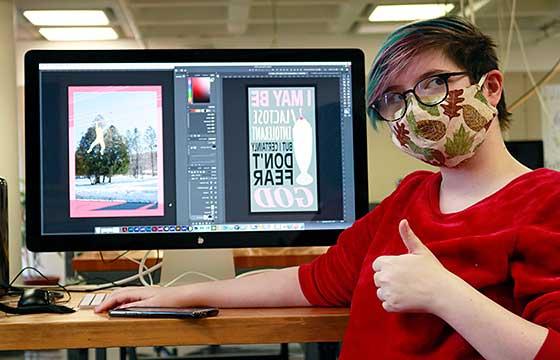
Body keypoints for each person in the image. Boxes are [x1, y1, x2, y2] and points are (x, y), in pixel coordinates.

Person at [95, 16, 560, 359]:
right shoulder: (409, 197)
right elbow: (310, 282)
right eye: (394, 99)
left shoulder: (546, 201)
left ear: (491, 88)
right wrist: (174, 295)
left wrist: (446, 295)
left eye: (433, 84)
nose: (414, 110)